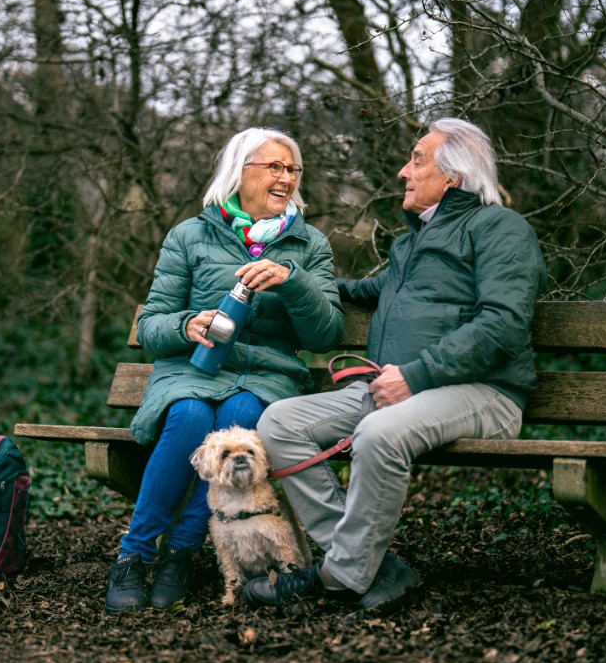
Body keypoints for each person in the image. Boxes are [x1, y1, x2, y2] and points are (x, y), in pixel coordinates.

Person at [242, 117, 546, 611]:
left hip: (483, 391)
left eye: (417, 160)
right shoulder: (410, 245)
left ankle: (336, 576)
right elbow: (360, 292)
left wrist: (416, 376)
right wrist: (292, 276)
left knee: (379, 433)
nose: (404, 172)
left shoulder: (499, 228)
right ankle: (372, 566)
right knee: (278, 422)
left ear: (454, 177)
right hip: (395, 391)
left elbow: (503, 326)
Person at [106, 127, 344, 613]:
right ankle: (133, 555)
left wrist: (292, 281)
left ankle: (181, 552)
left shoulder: (308, 243)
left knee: (240, 413)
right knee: (191, 416)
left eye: (292, 169)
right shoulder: (190, 235)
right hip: (192, 370)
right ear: (240, 171)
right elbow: (151, 324)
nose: (286, 178)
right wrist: (187, 323)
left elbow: (326, 337)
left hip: (267, 374)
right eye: (273, 167)